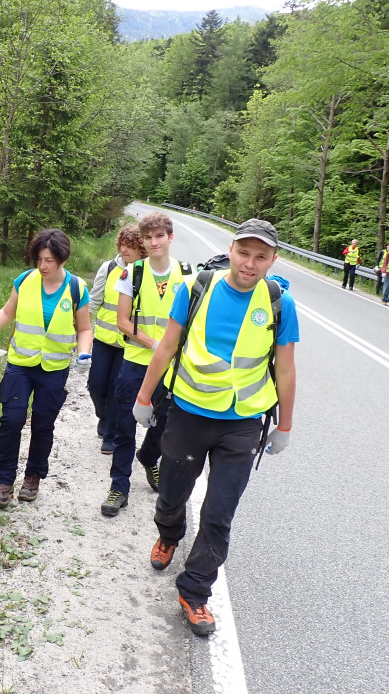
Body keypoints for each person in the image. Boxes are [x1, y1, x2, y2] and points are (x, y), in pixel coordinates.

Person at [131, 218, 299, 637]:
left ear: (273, 261)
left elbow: (286, 366)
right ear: (232, 249)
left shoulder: (279, 302)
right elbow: (168, 345)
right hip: (188, 413)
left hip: (242, 424)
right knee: (171, 495)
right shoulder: (197, 289)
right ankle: (169, 533)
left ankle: (195, 591)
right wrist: (144, 397)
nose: (250, 263)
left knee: (220, 513)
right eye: (244, 253)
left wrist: (285, 425)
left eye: (261, 256)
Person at [0, 229, 93, 509]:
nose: (42, 266)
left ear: (62, 259)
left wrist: (85, 353)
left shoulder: (77, 288)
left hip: (54, 368)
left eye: (49, 260)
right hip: (20, 364)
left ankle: (33, 477)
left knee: (42, 424)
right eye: (39, 259)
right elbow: (7, 312)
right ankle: (4, 480)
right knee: (12, 421)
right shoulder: (25, 280)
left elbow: (85, 328)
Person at [101, 211, 188, 517]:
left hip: (173, 368)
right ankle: (119, 487)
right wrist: (155, 345)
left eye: (159, 236)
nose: (154, 242)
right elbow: (122, 321)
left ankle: (149, 457)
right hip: (136, 361)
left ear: (170, 238)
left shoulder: (188, 275)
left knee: (165, 425)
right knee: (125, 425)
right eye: (148, 237)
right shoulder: (132, 273)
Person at [88, 225, 146, 455]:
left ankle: (110, 434)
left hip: (128, 344)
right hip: (103, 339)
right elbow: (94, 301)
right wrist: (79, 326)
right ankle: (103, 416)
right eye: (122, 244)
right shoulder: (109, 267)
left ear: (141, 249)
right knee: (96, 385)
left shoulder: (145, 274)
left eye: (130, 246)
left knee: (116, 389)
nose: (124, 249)